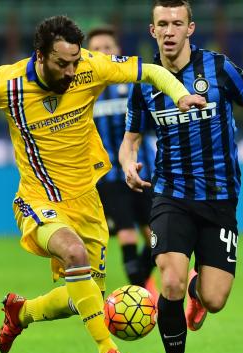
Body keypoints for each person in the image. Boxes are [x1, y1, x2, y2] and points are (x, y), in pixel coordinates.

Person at [0, 15, 205, 353]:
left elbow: (153, 72)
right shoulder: (7, 83)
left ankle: (22, 313)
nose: (71, 71)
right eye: (61, 63)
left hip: (87, 201)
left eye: (74, 62)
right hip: (38, 200)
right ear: (40, 56)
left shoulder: (90, 66)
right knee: (74, 252)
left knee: (84, 298)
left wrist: (180, 95)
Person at [119, 1, 243, 353]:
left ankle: (197, 295)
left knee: (215, 297)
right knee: (170, 281)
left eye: (178, 23)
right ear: (152, 31)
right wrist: (128, 163)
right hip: (170, 195)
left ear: (190, 28)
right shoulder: (146, 83)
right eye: (163, 23)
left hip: (220, 198)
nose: (170, 30)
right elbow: (130, 140)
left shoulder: (219, 69)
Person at [87, 27, 158, 300]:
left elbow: (152, 125)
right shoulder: (84, 93)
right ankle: (144, 299)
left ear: (117, 51)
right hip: (109, 179)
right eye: (95, 49)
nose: (102, 53)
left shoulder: (135, 85)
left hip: (144, 172)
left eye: (107, 47)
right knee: (127, 236)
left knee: (155, 235)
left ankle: (142, 294)